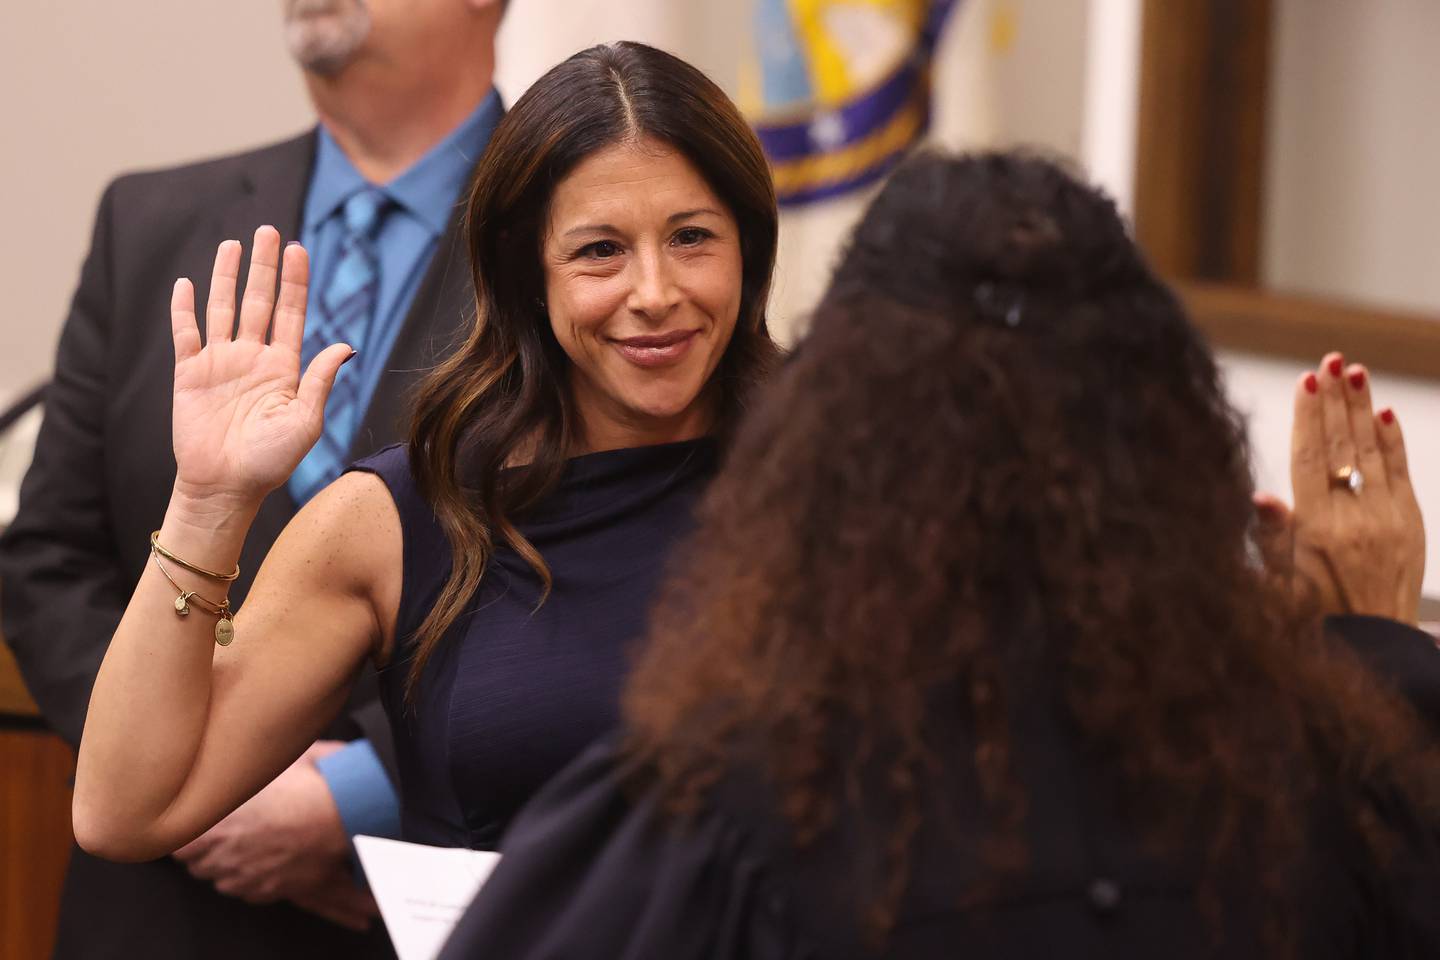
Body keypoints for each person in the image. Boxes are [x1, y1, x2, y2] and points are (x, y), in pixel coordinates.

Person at [439, 151, 1440, 959]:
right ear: (1175, 446)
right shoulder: (1328, 788)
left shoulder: (721, 808)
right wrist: (1377, 649)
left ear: (824, 456)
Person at [70, 38, 781, 882]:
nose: (656, 291)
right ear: (529, 274)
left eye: (693, 236)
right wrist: (209, 501)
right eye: (601, 250)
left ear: (748, 246)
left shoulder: (844, 489)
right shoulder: (401, 515)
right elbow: (123, 810)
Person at [0, 1, 505, 956]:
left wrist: (355, 793)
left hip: (414, 900)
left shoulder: (583, 233)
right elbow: (49, 555)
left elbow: (606, 573)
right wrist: (185, 776)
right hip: (152, 908)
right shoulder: (149, 220)